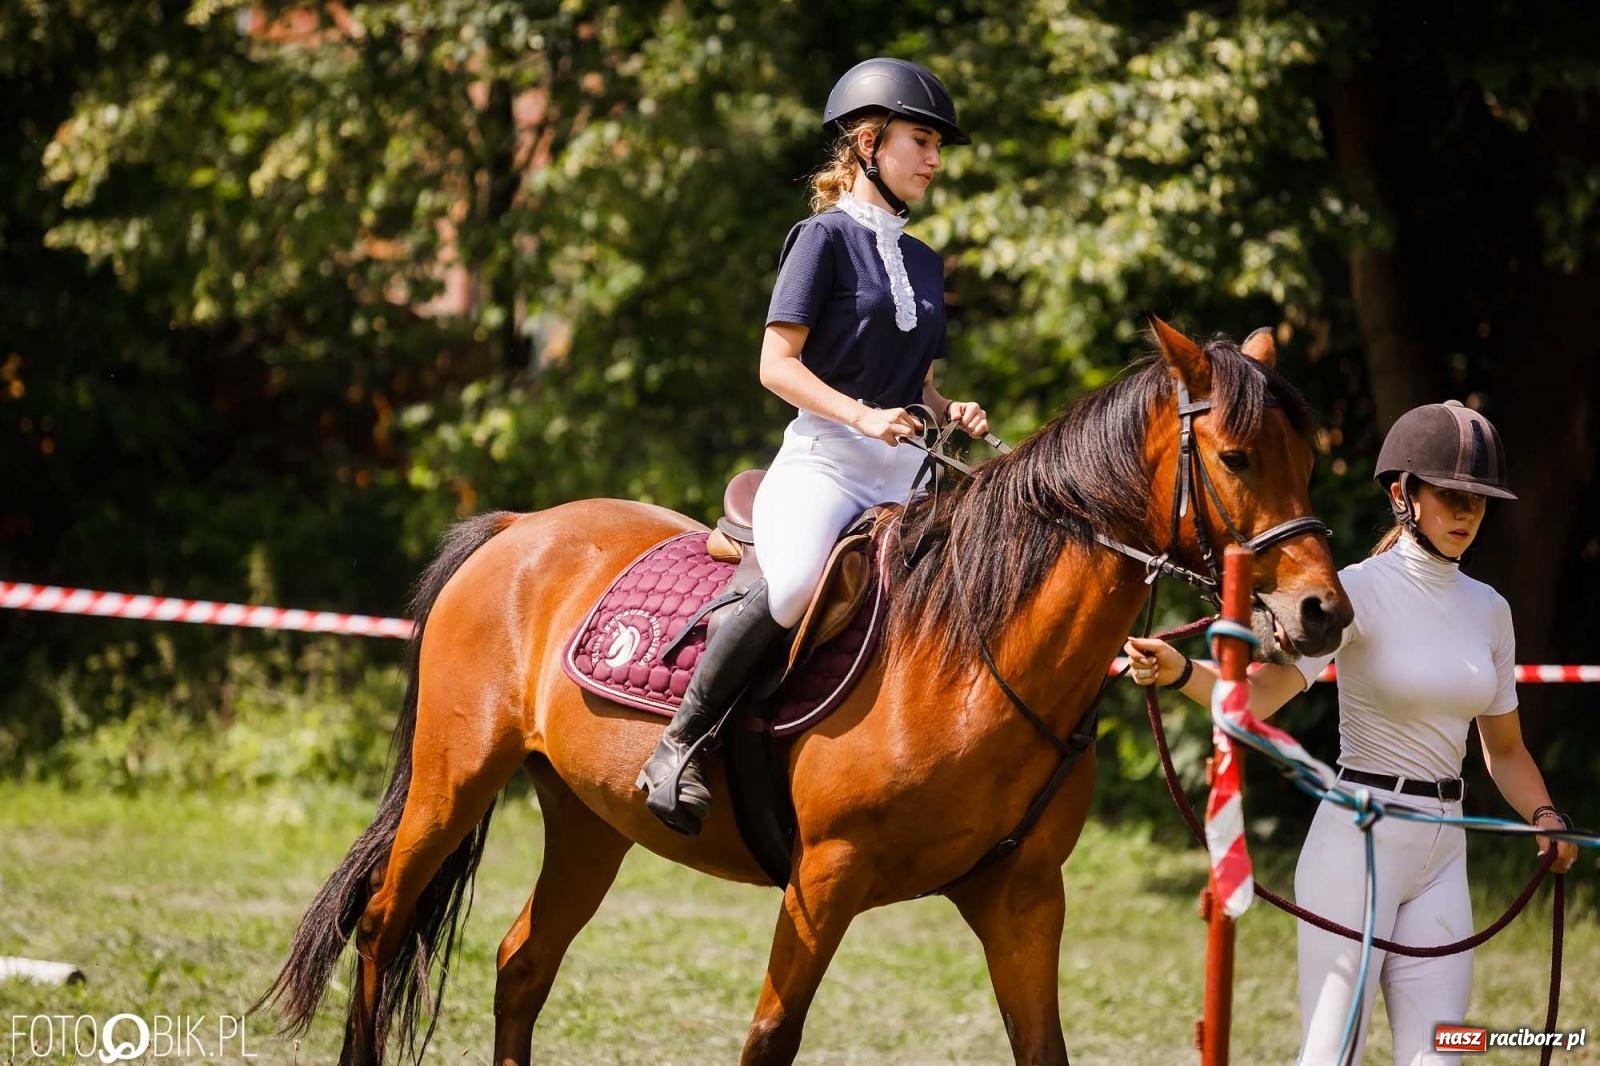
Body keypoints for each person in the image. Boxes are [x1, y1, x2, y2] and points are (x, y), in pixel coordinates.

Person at [1123, 400, 1578, 1065]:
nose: (1466, 513)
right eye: (1450, 495)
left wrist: (1543, 815)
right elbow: (1260, 693)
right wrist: (1179, 673)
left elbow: (1504, 750)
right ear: (1402, 494)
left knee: (1439, 1058)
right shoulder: (1355, 590)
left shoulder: (1491, 611)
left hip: (1444, 850)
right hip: (1357, 843)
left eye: (1478, 500)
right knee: (1331, 1056)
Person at [636, 57, 990, 835]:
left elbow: (916, 383)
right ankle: (679, 744)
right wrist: (864, 417)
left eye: (938, 147)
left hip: (907, 477)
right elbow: (776, 367)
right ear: (869, 141)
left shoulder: (925, 262)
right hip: (826, 464)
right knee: (795, 585)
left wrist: (944, 406)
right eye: (920, 140)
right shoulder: (821, 239)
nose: (934, 160)